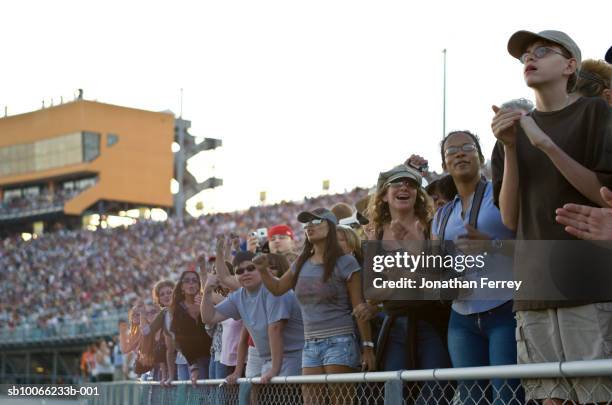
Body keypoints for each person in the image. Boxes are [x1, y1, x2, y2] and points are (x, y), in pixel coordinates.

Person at [491, 29, 612, 404]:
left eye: (543, 51)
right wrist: (511, 148)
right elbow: (509, 218)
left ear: (570, 65)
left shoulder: (595, 112)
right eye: (526, 54)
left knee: (595, 396)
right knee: (550, 399)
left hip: (587, 280)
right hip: (533, 288)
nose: (531, 57)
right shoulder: (510, 132)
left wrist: (545, 145)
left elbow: (604, 195)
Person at [433, 131, 520, 404]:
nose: (459, 153)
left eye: (467, 147)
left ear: (481, 157)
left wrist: (492, 245)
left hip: (505, 311)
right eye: (451, 151)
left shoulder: (501, 194)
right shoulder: (442, 214)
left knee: (506, 397)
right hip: (461, 320)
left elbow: (534, 250)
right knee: (471, 399)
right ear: (445, 165)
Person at [254, 208, 375, 405]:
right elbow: (277, 289)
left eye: (316, 222)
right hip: (309, 344)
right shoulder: (301, 263)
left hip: (341, 341)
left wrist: (368, 347)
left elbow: (359, 307)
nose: (310, 226)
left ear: (332, 227)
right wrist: (263, 271)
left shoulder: (346, 262)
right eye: (307, 223)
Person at [356, 164, 453, 404]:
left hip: (434, 322)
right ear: (385, 195)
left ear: (418, 194)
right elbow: (372, 292)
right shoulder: (375, 234)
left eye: (410, 184)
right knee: (394, 395)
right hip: (395, 326)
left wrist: (397, 276)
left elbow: (438, 279)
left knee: (437, 392)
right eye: (397, 184)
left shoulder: (434, 225)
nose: (404, 188)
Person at [201, 251, 304, 384]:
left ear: (262, 269)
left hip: (294, 356)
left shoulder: (274, 289)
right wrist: (207, 291)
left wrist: (274, 369)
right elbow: (209, 317)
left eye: (251, 268)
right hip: (269, 360)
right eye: (240, 271)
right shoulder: (238, 296)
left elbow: (276, 328)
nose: (245, 273)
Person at [169, 270, 212, 387]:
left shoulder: (208, 301)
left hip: (215, 357)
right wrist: (193, 367)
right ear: (182, 287)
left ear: (199, 285)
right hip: (195, 359)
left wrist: (204, 308)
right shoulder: (178, 309)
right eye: (187, 281)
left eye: (194, 281)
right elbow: (179, 341)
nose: (191, 284)